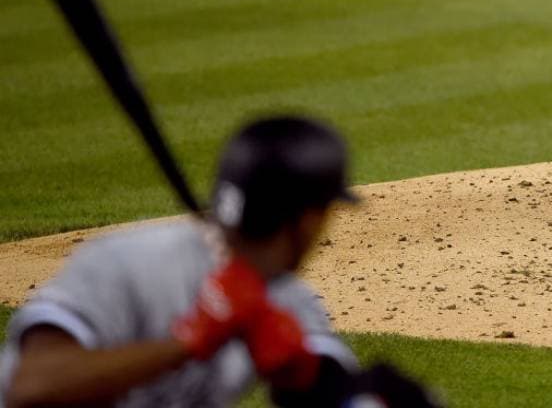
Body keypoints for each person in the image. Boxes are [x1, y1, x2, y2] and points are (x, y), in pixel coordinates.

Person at [0, 115, 441, 407]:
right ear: (307, 220)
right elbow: (29, 387)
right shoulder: (128, 263)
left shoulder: (288, 301)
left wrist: (306, 375)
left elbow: (341, 393)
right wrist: (190, 341)